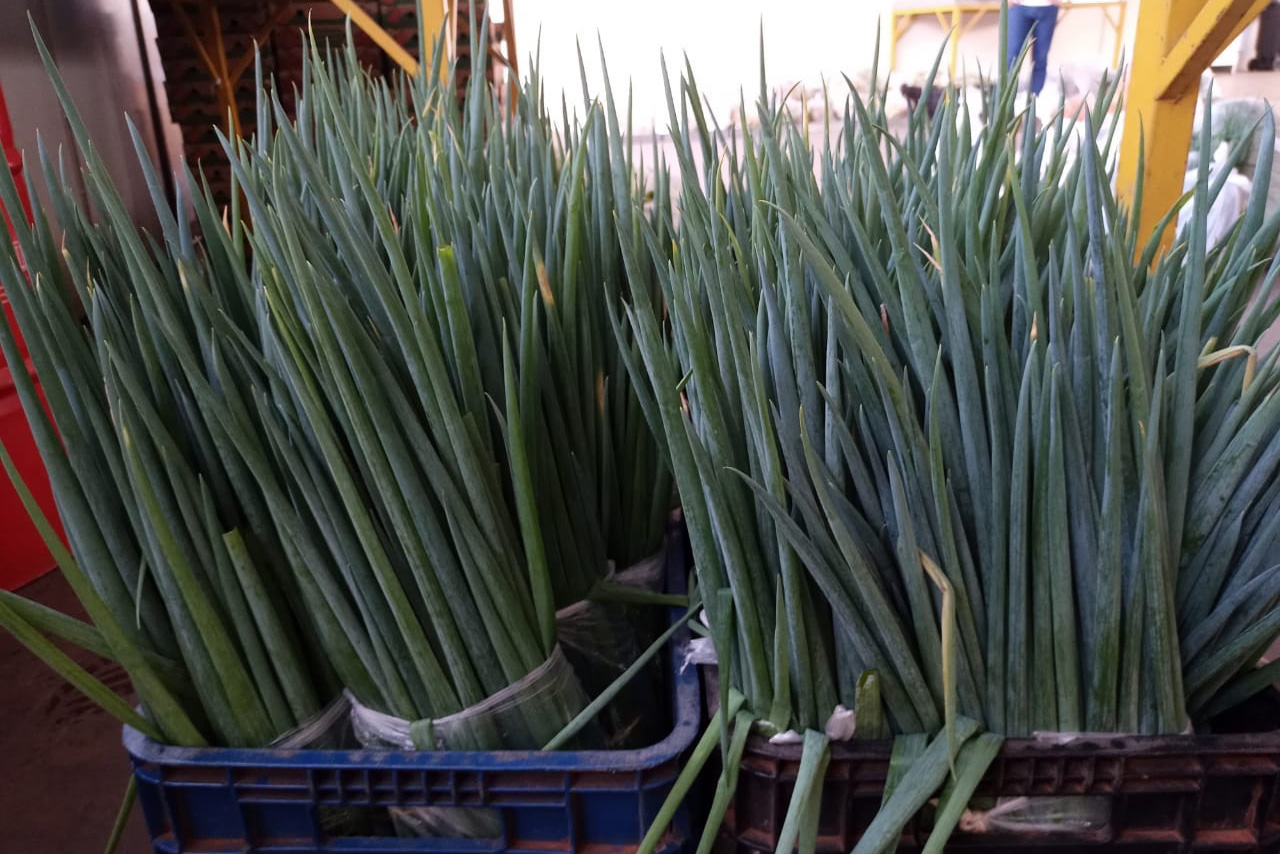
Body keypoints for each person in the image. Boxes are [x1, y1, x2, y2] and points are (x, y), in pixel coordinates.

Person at [1006, 0, 1061, 95]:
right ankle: (1007, 98)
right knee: (1012, 57)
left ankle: (1035, 97)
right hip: (1019, 7)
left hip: (1047, 7)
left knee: (1040, 58)